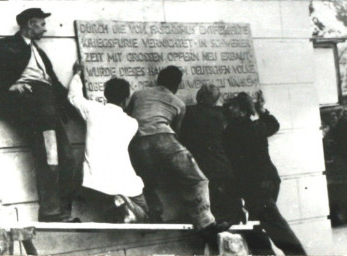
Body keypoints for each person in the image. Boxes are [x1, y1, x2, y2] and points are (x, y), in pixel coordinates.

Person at [0, 8, 80, 222]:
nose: (44, 28)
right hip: (36, 109)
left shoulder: (37, 51)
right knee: (50, 158)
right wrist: (8, 86)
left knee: (67, 159)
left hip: (50, 108)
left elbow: (54, 83)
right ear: (30, 24)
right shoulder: (8, 45)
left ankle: (63, 211)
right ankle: (51, 213)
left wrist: (77, 100)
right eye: (41, 24)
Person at [127, 66, 229, 239]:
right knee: (197, 179)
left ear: (158, 80)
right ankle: (206, 222)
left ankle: (153, 214)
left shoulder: (138, 94)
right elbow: (177, 132)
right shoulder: (178, 103)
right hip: (164, 139)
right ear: (176, 85)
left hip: (137, 142)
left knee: (147, 182)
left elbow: (129, 116)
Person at [223, 91, 307, 255]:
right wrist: (260, 109)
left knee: (270, 224)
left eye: (233, 106)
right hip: (267, 182)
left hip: (256, 186)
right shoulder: (256, 126)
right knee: (256, 225)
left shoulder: (234, 130)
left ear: (242, 111)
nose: (228, 109)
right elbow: (273, 123)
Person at [67, 66, 148, 223]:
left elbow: (73, 97)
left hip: (94, 180)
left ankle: (121, 206)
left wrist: (77, 74)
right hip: (124, 179)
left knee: (109, 204)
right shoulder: (132, 123)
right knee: (144, 215)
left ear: (105, 95)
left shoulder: (93, 110)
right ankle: (125, 205)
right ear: (126, 99)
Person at [179, 84, 244, 225]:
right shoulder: (221, 113)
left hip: (201, 168)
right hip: (222, 166)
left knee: (211, 211)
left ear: (199, 96)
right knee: (227, 208)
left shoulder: (189, 112)